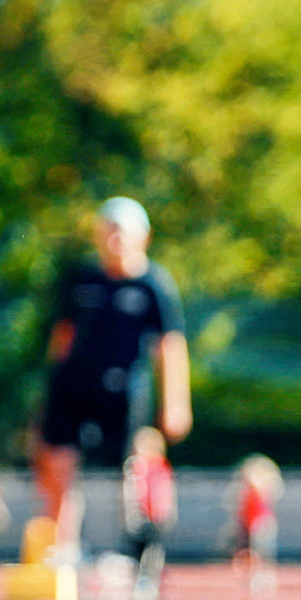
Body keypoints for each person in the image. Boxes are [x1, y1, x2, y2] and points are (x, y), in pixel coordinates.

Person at [34, 197, 191, 559]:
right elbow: (63, 337)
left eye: (122, 232)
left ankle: (138, 549)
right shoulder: (82, 279)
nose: (115, 239)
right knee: (57, 461)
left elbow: (169, 346)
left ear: (143, 237)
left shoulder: (154, 285)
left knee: (133, 468)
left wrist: (176, 403)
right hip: (74, 386)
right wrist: (48, 394)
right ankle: (62, 547)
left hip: (124, 389)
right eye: (108, 231)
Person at [119, 428, 176, 600]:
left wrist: (167, 511)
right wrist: (131, 514)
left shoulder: (161, 466)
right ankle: (140, 580)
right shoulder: (134, 466)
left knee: (154, 550)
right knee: (137, 549)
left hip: (157, 516)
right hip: (139, 516)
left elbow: (166, 491)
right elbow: (130, 492)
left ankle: (151, 579)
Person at [225, 455, 282, 599]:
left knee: (261, 553)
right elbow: (240, 510)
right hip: (248, 526)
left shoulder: (262, 490)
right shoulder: (245, 492)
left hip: (260, 526)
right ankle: (252, 577)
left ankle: (262, 577)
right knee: (248, 553)